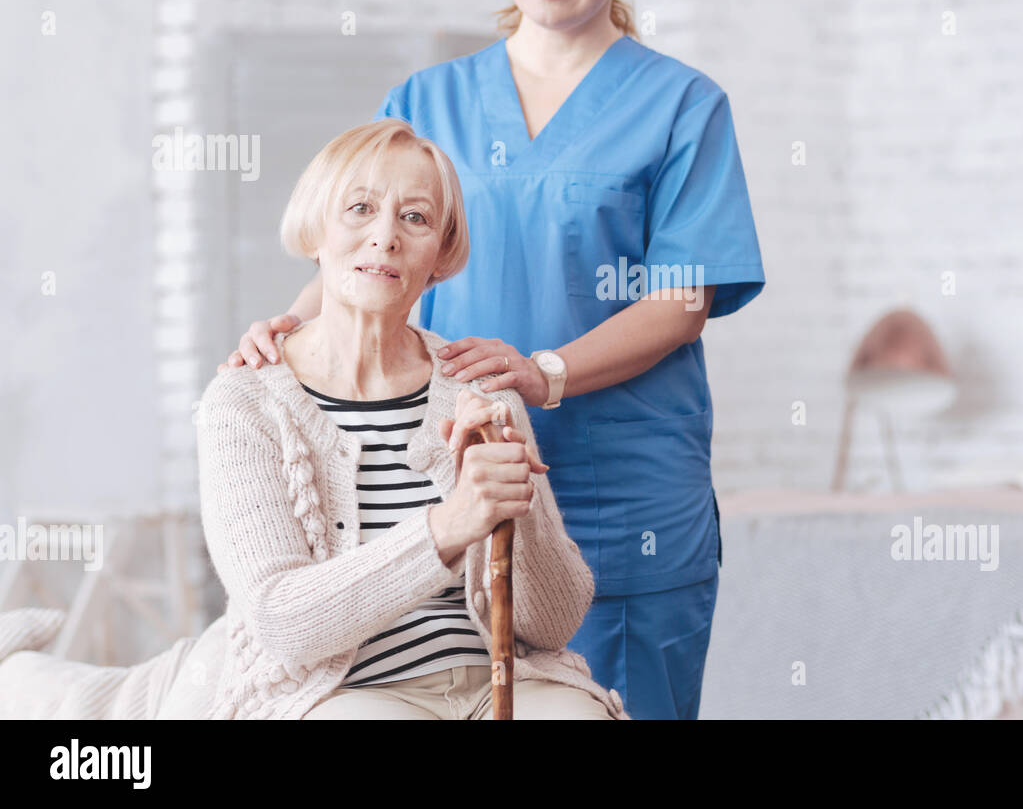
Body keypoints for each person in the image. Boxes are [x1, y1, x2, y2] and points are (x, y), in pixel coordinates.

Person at [221, 0, 764, 720]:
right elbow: (365, 244)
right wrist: (280, 335)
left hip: (625, 487)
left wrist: (543, 373)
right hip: (450, 482)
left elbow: (683, 297)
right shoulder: (427, 100)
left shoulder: (682, 106)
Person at [0, 119, 626, 720]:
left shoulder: (480, 389)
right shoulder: (245, 403)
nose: (385, 236)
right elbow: (282, 621)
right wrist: (450, 525)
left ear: (440, 254)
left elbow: (554, 622)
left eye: (415, 217)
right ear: (315, 231)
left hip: (507, 683)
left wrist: (517, 510)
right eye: (359, 209)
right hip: (344, 692)